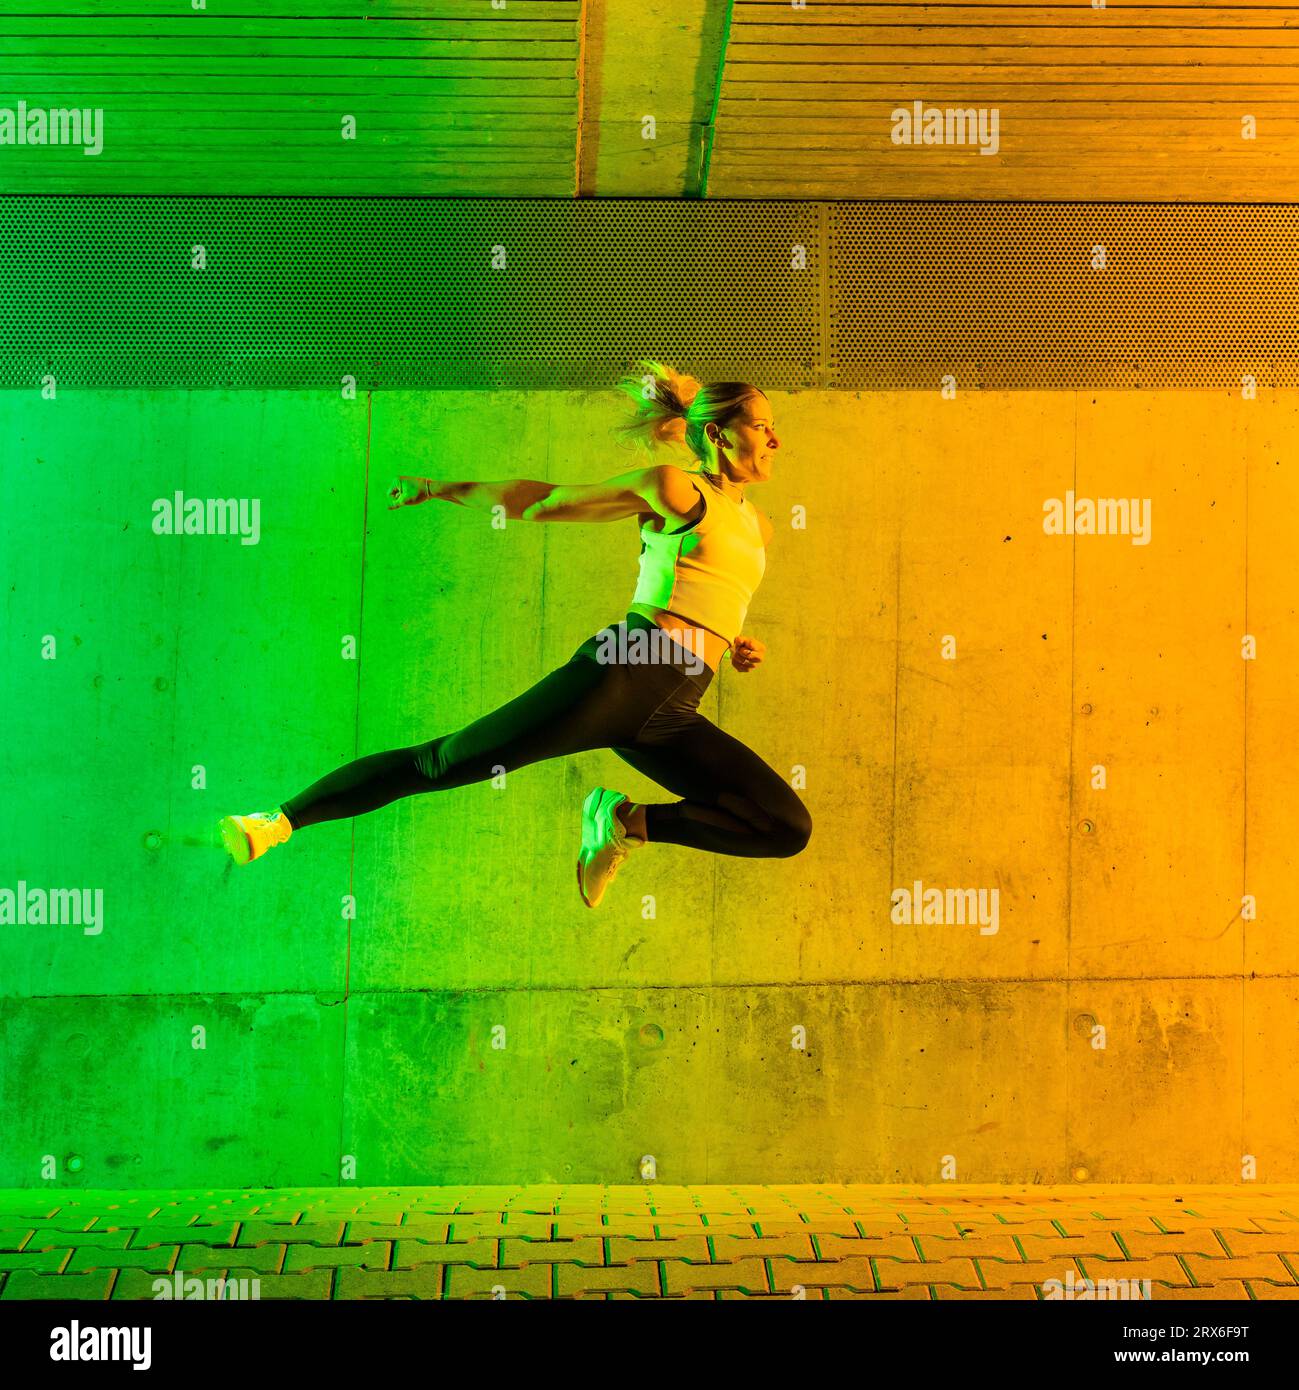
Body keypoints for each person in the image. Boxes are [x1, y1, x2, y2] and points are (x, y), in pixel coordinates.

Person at [219, 361, 811, 907]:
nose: (776, 441)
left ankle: (625, 823)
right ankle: (278, 821)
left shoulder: (758, 526)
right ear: (718, 435)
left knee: (784, 826)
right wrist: (439, 488)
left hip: (675, 708)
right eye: (763, 428)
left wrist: (735, 642)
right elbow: (543, 501)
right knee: (444, 763)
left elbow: (707, 589)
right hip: (628, 671)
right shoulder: (677, 489)